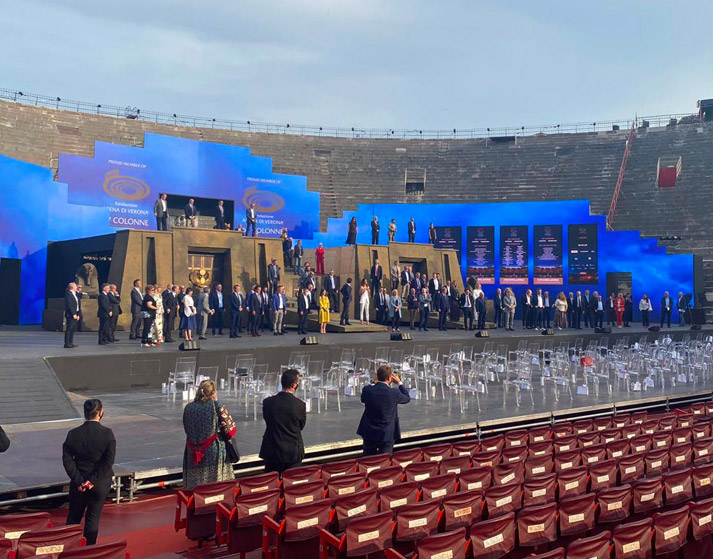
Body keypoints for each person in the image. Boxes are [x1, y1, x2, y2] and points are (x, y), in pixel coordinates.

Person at [63, 399, 115, 545]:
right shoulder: (107, 434)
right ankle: (89, 550)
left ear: (85, 414)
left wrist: (79, 480)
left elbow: (67, 460)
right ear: (100, 413)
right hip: (99, 484)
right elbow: (108, 462)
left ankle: (68, 549)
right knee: (93, 519)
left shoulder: (73, 434)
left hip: (78, 484)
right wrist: (92, 481)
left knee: (73, 518)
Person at [182, 380, 236, 490]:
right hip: (212, 450)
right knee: (215, 485)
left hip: (192, 450)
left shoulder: (188, 407)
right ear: (213, 393)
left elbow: (186, 427)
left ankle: (196, 500)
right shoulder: (216, 406)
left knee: (196, 483)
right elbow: (231, 430)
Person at [357, 364, 410, 456]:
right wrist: (399, 383)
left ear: (377, 376)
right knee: (384, 461)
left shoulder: (367, 390)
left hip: (369, 432)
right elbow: (406, 398)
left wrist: (374, 383)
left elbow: (363, 399)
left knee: (367, 460)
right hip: (387, 433)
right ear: (390, 378)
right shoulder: (394, 393)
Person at [259, 370, 306, 473]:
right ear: (294, 385)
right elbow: (301, 426)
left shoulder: (268, 402)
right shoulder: (300, 405)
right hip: (292, 452)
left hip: (272, 450)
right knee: (292, 483)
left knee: (271, 483)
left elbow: (267, 420)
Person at [64, 282, 81, 348]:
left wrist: (78, 314)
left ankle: (71, 342)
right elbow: (69, 305)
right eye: (76, 286)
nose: (77, 287)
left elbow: (77, 304)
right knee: (69, 328)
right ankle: (67, 343)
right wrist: (73, 314)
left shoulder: (75, 294)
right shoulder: (68, 294)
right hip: (71, 314)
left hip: (76, 313)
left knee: (73, 329)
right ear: (72, 287)